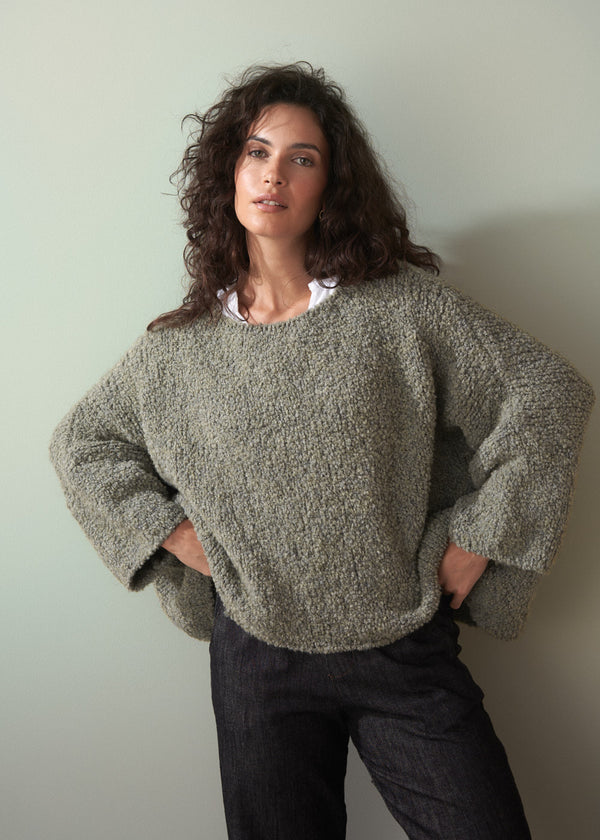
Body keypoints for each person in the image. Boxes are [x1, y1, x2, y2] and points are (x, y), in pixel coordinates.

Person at [49, 62, 594, 840]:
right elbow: (81, 443)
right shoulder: (176, 350)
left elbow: (546, 393)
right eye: (256, 152)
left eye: (301, 158)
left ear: (330, 184)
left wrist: (485, 534)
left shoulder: (401, 308)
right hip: (257, 660)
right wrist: (171, 534)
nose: (274, 175)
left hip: (402, 644)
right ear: (229, 172)